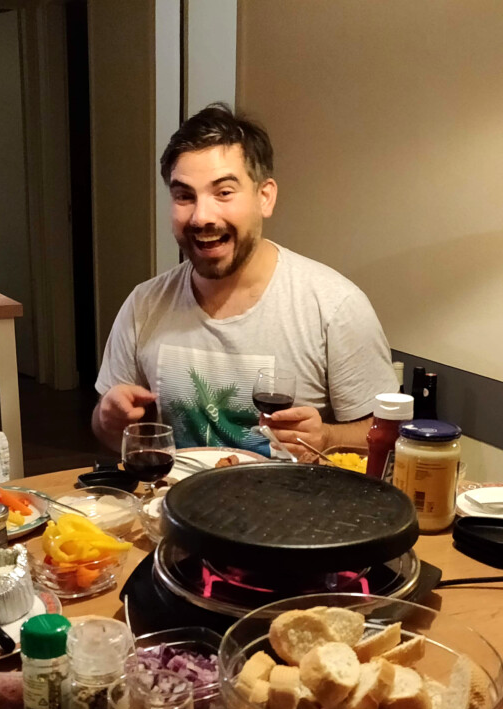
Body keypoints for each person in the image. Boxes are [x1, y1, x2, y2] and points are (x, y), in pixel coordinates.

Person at [92, 103, 397, 456]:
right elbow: (112, 434)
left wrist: (327, 437)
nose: (201, 216)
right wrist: (107, 418)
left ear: (264, 197)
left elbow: (388, 436)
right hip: (173, 506)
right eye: (184, 196)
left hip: (294, 507)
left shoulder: (333, 307)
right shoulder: (145, 304)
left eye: (224, 192)